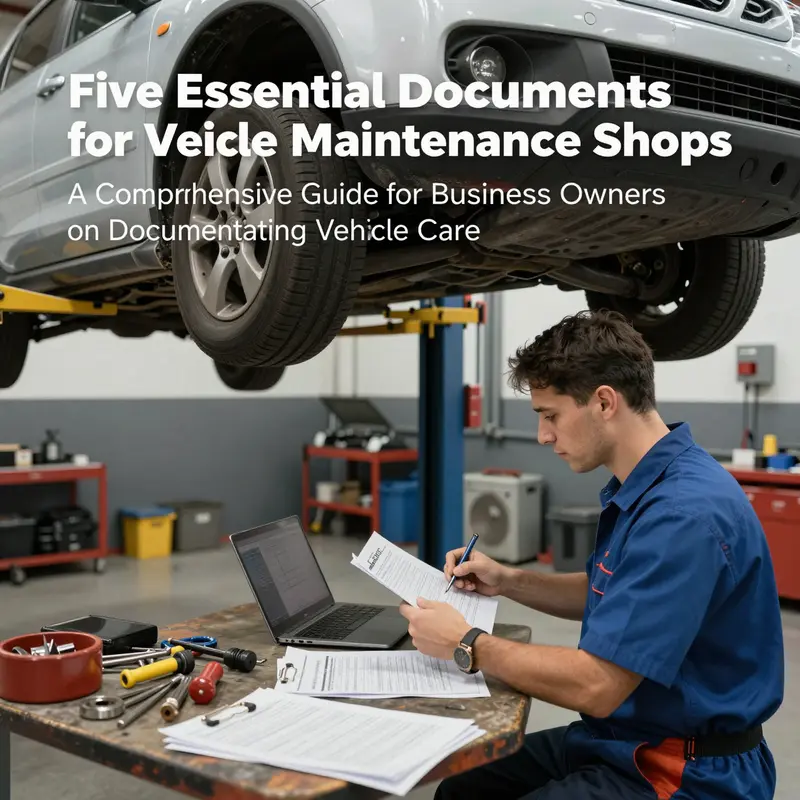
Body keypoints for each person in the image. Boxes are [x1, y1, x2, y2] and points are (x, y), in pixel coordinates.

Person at [399, 309, 784, 800]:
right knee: (462, 789)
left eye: (550, 415)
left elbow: (597, 687)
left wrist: (467, 642)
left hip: (683, 769)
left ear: (604, 402)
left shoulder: (682, 515)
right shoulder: (651, 483)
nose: (543, 436)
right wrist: (509, 580)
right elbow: (612, 592)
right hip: (623, 740)